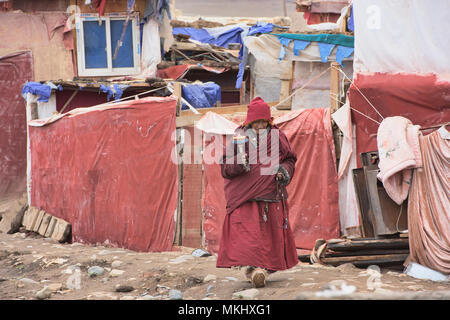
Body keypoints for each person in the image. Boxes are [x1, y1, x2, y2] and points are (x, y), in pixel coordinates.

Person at [216, 97, 298, 288]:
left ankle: (261, 270)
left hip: (270, 195)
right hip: (243, 197)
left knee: (269, 236)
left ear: (269, 121)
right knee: (248, 236)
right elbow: (225, 167)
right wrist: (240, 163)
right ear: (249, 122)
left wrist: (283, 171)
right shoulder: (238, 138)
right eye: (256, 122)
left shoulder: (278, 138)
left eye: (263, 122)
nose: (260, 126)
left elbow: (290, 160)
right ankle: (253, 268)